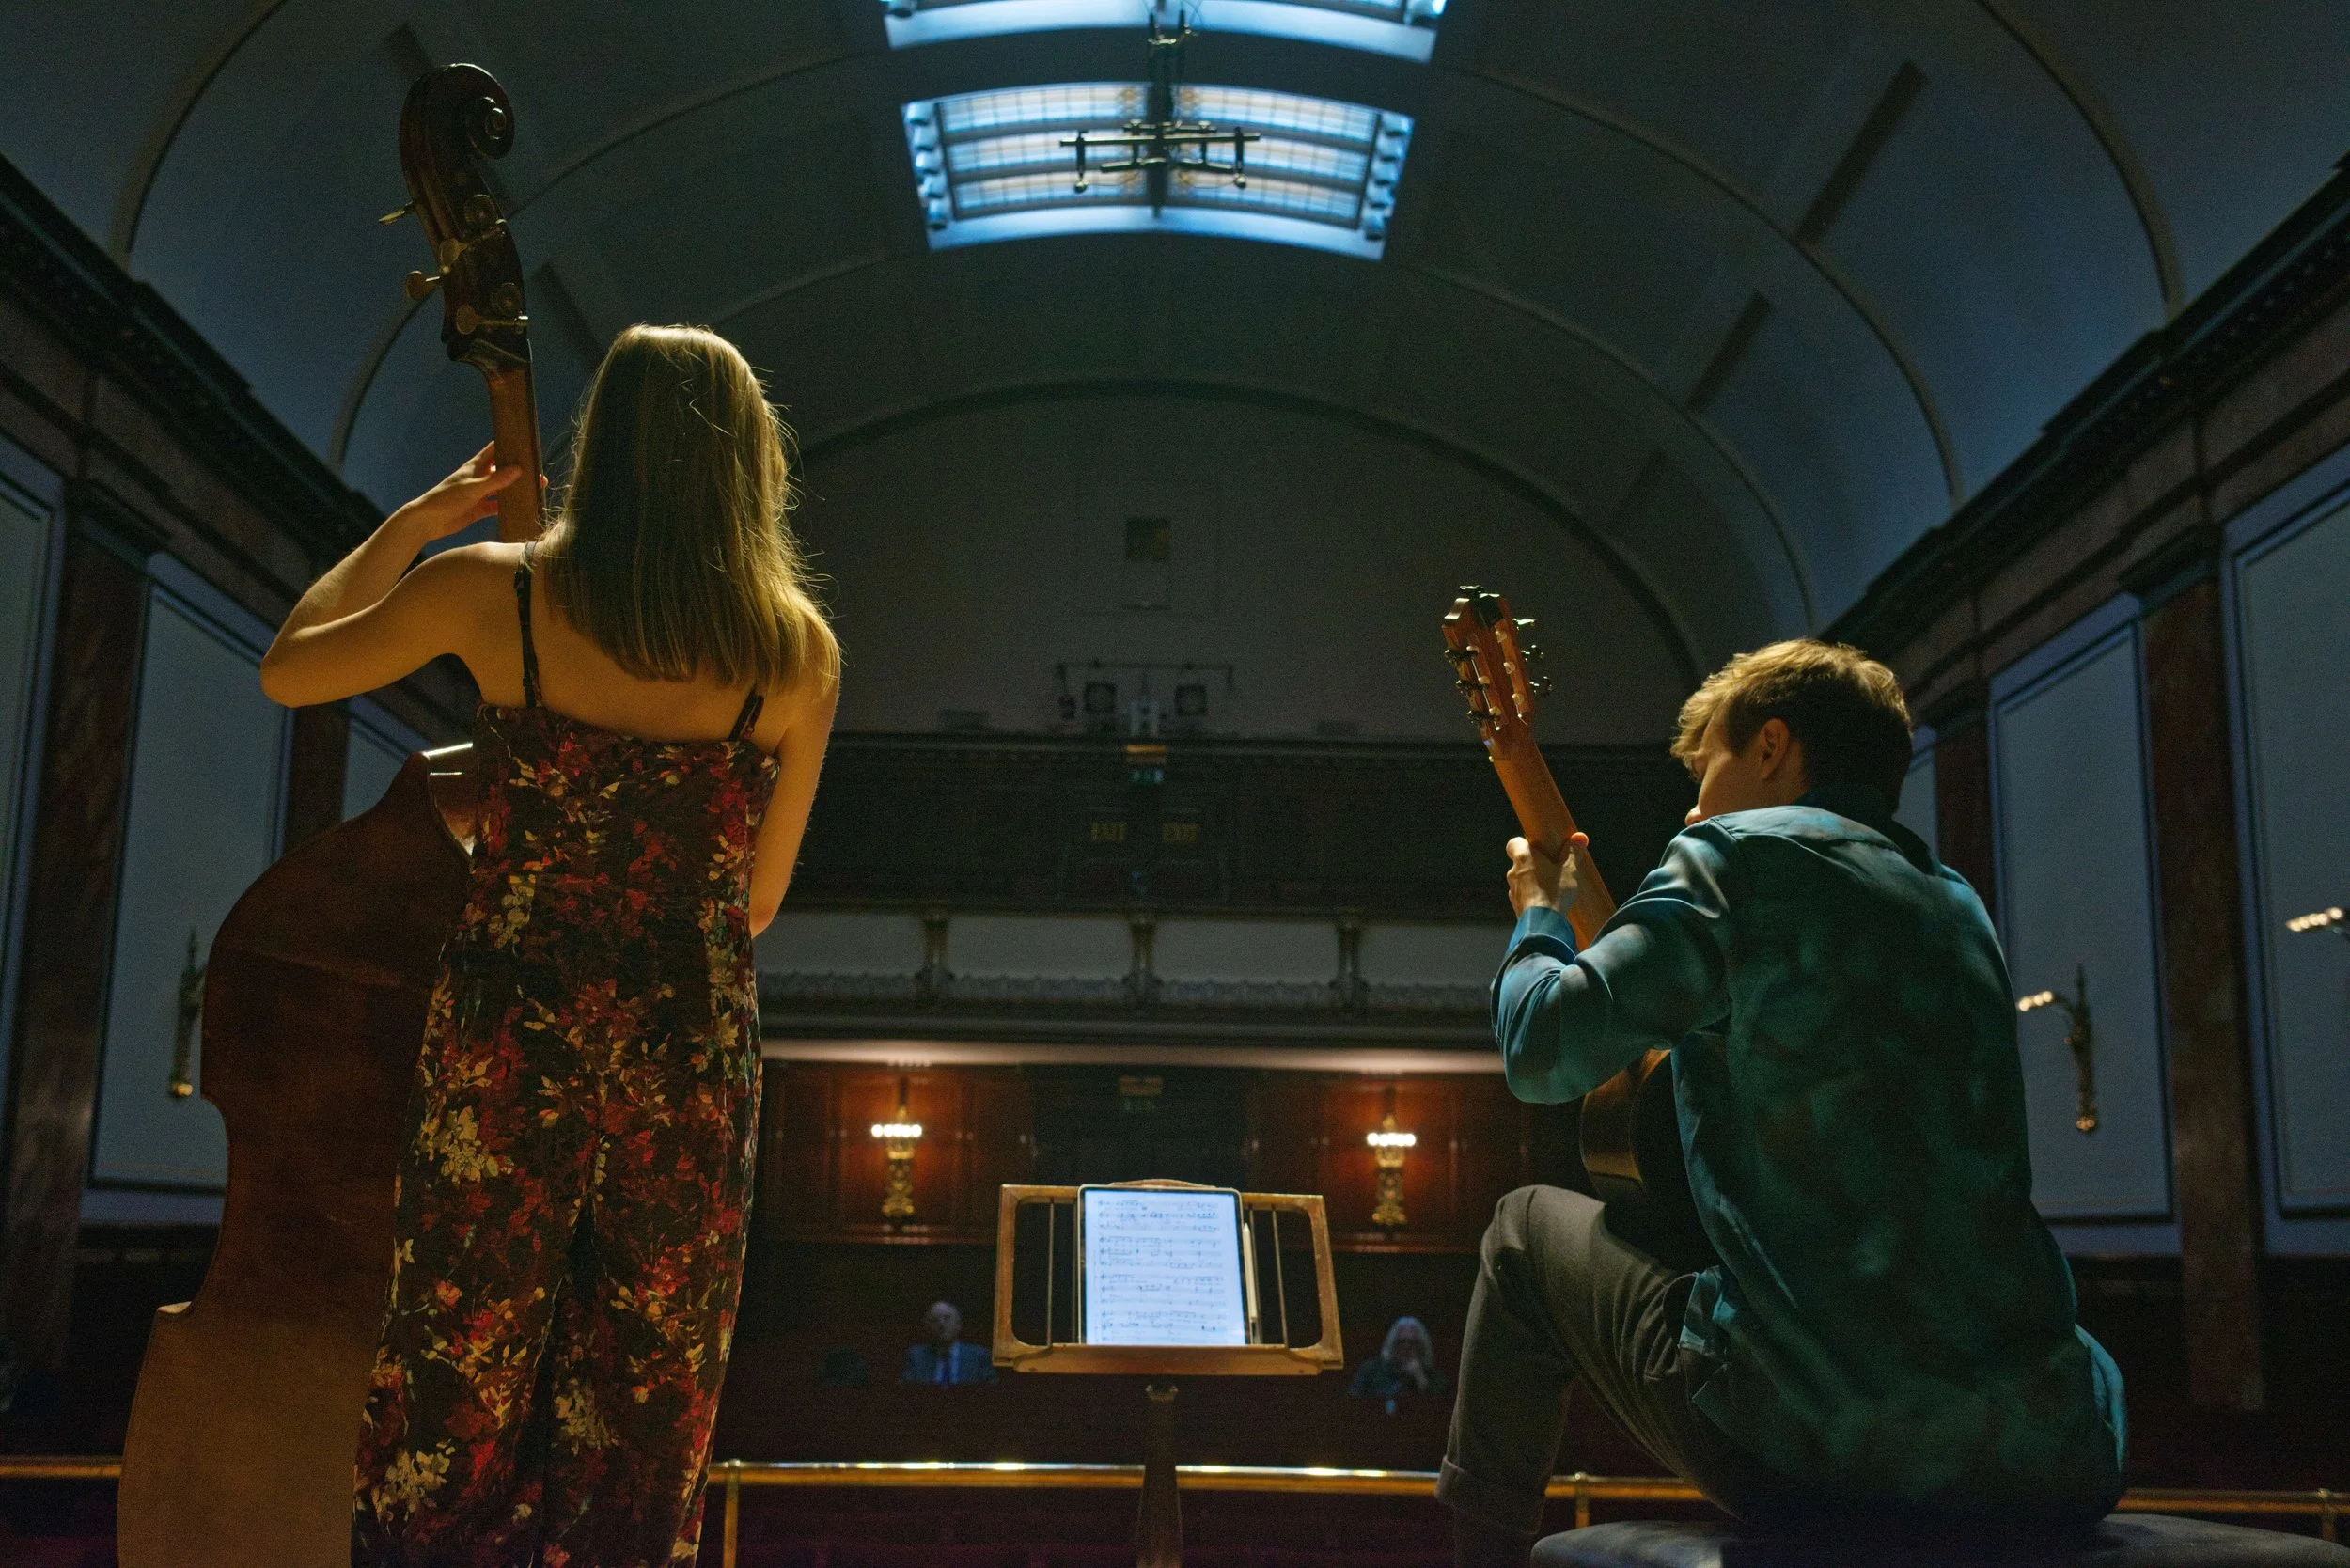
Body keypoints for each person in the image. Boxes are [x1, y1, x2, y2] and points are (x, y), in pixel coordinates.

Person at [259, 323, 839, 1567]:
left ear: (606, 451)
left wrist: (412, 526)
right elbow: (755, 905)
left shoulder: (496, 590)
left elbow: (290, 674)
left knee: (453, 1379)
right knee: (647, 1401)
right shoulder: (793, 652)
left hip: (506, 1041)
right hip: (685, 1061)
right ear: (750, 469)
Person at [1437, 641, 2126, 1567]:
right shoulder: (1951, 899)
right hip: (2048, 1447)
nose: (1692, 803)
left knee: (1524, 1230)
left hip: (1821, 1442)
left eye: (1708, 767)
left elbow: (1542, 1052)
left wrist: (1539, 916)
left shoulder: (1733, 856)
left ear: (1771, 745)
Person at [1349, 1315, 1450, 1414]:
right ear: (1392, 1345)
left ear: (1422, 1347)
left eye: (1412, 1343)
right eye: (1401, 1342)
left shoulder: (1435, 1378)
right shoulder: (1371, 1371)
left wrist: (1420, 1379)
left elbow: (1439, 1410)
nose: (1406, 1348)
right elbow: (1352, 1404)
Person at [899, 1300, 996, 1387]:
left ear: (958, 1325)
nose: (941, 1324)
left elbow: (993, 1394)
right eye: (935, 1320)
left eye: (947, 1318)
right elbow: (904, 1393)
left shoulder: (978, 1357)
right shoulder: (916, 1357)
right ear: (928, 1327)